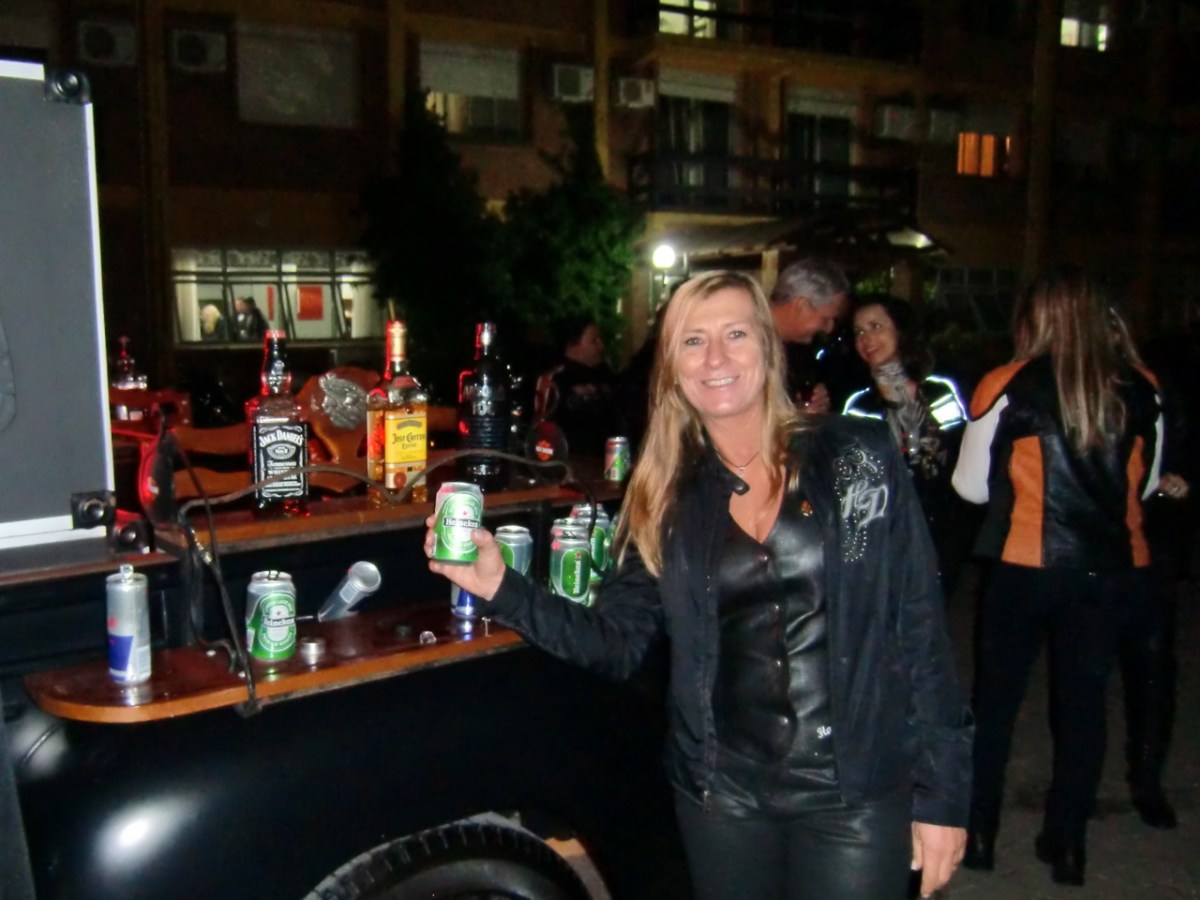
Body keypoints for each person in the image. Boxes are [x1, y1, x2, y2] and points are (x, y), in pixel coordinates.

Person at [428, 270, 971, 900]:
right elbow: (619, 643)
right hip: (725, 798)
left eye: (735, 334)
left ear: (767, 347)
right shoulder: (665, 495)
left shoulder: (855, 457)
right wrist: (503, 586)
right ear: (672, 368)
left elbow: (918, 627)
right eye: (693, 340)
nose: (715, 357)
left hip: (854, 790)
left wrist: (943, 794)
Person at [951, 266, 1163, 886]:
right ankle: (1068, 844)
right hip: (1106, 570)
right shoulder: (1141, 385)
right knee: (1084, 707)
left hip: (1026, 563)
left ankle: (980, 832)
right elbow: (1147, 485)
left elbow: (969, 486)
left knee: (995, 702)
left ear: (1036, 316)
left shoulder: (1008, 382)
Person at [843, 295, 969, 591]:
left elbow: (957, 454)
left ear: (900, 331)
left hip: (937, 528)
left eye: (876, 326)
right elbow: (853, 477)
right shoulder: (858, 405)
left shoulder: (939, 392)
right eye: (859, 331)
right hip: (882, 534)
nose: (866, 339)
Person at [533, 315, 625, 459]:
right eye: (594, 341)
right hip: (571, 461)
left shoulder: (604, 376)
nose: (601, 346)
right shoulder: (555, 380)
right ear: (572, 345)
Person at [768, 257, 850, 413]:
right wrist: (793, 417)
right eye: (825, 319)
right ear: (802, 306)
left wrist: (811, 407)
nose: (829, 328)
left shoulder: (799, 354)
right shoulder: (744, 341)